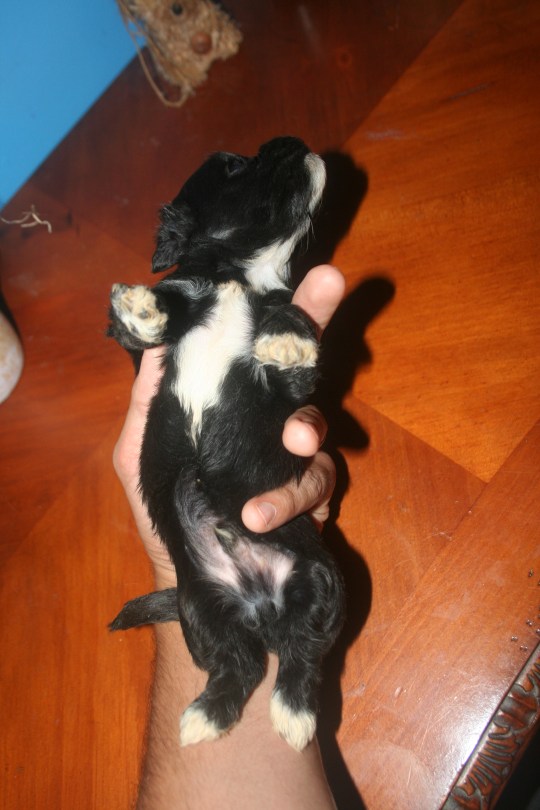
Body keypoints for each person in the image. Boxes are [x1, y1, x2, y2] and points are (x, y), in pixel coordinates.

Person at [113, 265, 346, 809]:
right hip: (197, 534)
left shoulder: (266, 305)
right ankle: (229, 682)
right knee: (211, 610)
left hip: (230, 527)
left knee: (310, 586)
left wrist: (291, 371)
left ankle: (296, 675)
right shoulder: (188, 289)